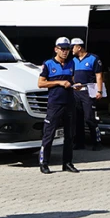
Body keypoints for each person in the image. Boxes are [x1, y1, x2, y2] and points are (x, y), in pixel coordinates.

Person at [38, 37, 78, 174]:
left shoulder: (71, 63)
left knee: (69, 135)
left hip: (69, 103)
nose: (65, 52)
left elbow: (72, 80)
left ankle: (67, 163)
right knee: (49, 134)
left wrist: (74, 85)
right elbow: (41, 83)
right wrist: (59, 83)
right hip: (55, 104)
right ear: (56, 49)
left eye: (67, 49)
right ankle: (44, 163)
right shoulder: (48, 64)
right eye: (62, 49)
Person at [71, 37, 104, 151]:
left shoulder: (93, 58)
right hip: (76, 92)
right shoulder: (73, 61)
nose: (71, 50)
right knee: (77, 118)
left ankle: (97, 141)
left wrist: (99, 91)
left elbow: (98, 75)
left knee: (89, 118)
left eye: (72, 47)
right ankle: (79, 142)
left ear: (79, 47)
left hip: (88, 91)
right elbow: (72, 75)